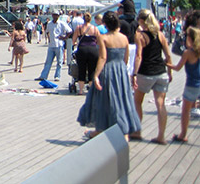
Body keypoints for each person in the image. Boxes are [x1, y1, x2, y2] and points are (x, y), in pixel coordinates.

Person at [77, 11, 141, 141]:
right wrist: (123, 70)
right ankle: (124, 132)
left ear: (105, 23)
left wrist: (96, 75)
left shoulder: (103, 37)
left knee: (104, 101)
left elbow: (102, 57)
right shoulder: (124, 38)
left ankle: (100, 130)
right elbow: (126, 58)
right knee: (121, 100)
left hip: (108, 70)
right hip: (121, 70)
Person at [130, 9, 172, 145]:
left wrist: (134, 74)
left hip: (145, 72)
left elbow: (138, 56)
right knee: (160, 104)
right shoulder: (160, 35)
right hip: (161, 72)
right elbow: (168, 55)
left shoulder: (140, 36)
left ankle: (137, 131)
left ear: (141, 21)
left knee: (137, 101)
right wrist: (170, 72)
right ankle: (161, 136)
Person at [166, 27, 200, 143]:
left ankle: (183, 135)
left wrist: (167, 64)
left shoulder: (188, 53)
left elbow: (177, 68)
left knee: (186, 111)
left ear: (190, 39)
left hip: (191, 84)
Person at [36, 11, 72, 82]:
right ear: (52, 15)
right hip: (51, 45)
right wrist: (49, 39)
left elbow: (70, 31)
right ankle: (43, 76)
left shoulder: (61, 23)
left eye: (57, 15)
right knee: (48, 62)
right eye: (54, 15)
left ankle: (57, 76)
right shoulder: (49, 24)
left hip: (59, 44)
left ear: (58, 16)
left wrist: (65, 37)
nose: (55, 16)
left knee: (59, 62)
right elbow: (47, 32)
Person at [72, 12, 100, 95]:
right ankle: (90, 91)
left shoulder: (79, 28)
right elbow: (98, 41)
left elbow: (74, 40)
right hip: (93, 50)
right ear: (90, 19)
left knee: (81, 69)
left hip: (82, 50)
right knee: (92, 70)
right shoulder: (95, 28)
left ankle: (81, 90)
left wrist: (75, 44)